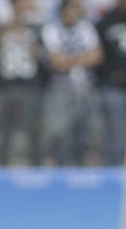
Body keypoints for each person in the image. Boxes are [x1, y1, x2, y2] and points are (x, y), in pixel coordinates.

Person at [41, 0, 101, 166]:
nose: (75, 12)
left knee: (84, 129)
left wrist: (69, 60)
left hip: (85, 84)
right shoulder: (51, 29)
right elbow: (57, 62)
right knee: (60, 130)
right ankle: (61, 164)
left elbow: (97, 57)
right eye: (72, 9)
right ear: (63, 11)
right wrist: (83, 58)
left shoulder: (86, 28)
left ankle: (79, 164)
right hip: (60, 86)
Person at [0, 0, 45, 166]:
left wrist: (26, 39)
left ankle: (35, 164)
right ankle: (2, 165)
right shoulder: (1, 28)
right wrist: (5, 32)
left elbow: (40, 57)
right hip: (7, 83)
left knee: (33, 128)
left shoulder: (35, 28)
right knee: (5, 129)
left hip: (29, 83)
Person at [95, 0, 126, 165]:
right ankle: (114, 167)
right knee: (116, 132)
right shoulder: (105, 22)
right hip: (113, 85)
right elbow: (99, 52)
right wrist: (110, 72)